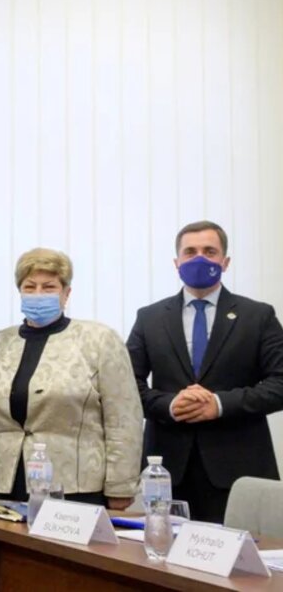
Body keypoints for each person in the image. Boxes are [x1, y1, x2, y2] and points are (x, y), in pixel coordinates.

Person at [128, 221, 283, 523]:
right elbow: (125, 387)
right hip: (167, 472)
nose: (199, 259)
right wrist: (170, 405)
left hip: (239, 470)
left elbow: (280, 382)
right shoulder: (149, 318)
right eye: (190, 252)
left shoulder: (258, 316)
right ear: (177, 262)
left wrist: (220, 404)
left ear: (225, 261)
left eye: (209, 252)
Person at [0, 248, 142, 509]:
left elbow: (124, 418)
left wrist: (121, 485)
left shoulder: (99, 339)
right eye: (30, 287)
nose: (38, 294)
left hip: (75, 484)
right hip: (3, 483)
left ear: (66, 293)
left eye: (49, 287)